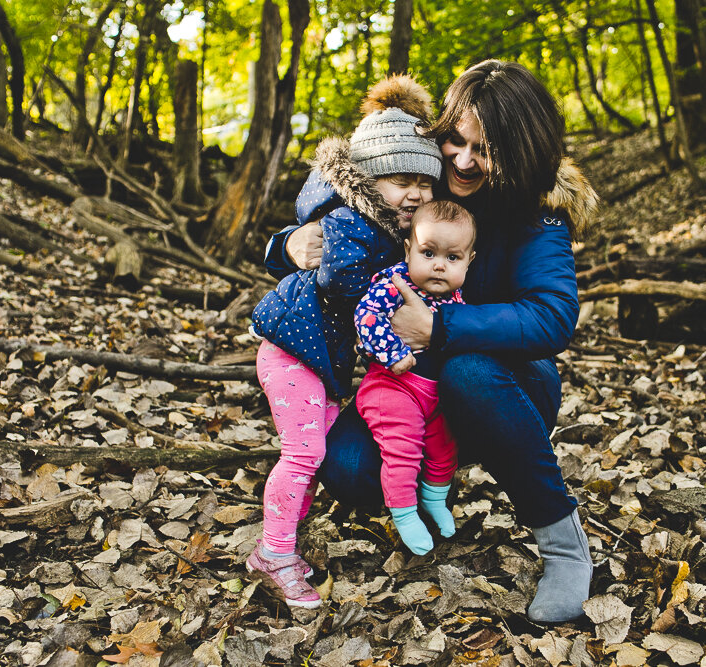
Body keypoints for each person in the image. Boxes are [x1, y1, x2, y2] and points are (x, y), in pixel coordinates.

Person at [264, 60, 598, 623]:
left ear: (518, 151)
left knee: (467, 371)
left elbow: (554, 315)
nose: (463, 161)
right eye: (455, 140)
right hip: (407, 380)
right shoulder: (422, 180)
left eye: (484, 149)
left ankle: (563, 542)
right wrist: (291, 242)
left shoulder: (538, 213)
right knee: (345, 465)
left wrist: (442, 329)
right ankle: (428, 483)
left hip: (505, 381)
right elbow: (346, 214)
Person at [246, 74, 443, 608]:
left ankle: (283, 540)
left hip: (317, 355)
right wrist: (395, 277)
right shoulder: (356, 222)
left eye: (426, 182)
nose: (418, 193)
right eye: (403, 179)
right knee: (304, 452)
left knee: (319, 450)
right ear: (371, 180)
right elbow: (338, 280)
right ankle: (273, 553)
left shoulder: (377, 222)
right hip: (293, 351)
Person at [354, 200, 476, 555]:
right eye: (428, 253)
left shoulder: (456, 299)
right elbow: (367, 317)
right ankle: (405, 513)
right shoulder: (394, 283)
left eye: (453, 258)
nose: (439, 264)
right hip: (392, 387)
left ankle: (434, 499)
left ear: (469, 261)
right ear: (409, 250)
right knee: (403, 450)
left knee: (444, 448)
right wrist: (393, 352)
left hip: (434, 391)